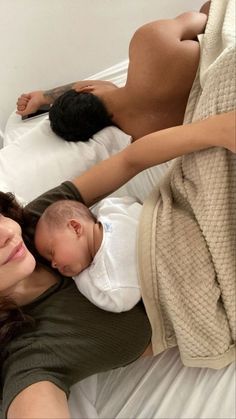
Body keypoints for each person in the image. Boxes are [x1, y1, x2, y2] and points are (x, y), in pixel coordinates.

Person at [0, 110, 235, 418]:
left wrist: (216, 130)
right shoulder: (30, 353)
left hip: (180, 214)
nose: (6, 233)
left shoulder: (38, 225)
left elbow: (129, 161)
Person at [16, 6, 210, 142]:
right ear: (86, 89)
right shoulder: (148, 45)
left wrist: (44, 97)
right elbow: (208, 19)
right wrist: (44, 96)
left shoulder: (143, 138)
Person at [34, 197, 142, 312]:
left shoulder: (105, 276)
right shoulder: (109, 207)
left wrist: (79, 276)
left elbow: (118, 302)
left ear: (75, 228)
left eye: (52, 252)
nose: (53, 265)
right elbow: (132, 201)